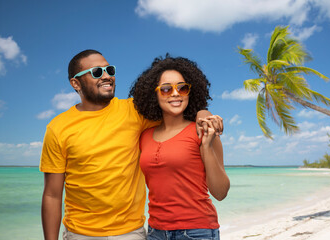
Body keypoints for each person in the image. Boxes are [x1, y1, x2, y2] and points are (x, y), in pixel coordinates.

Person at [40, 50, 223, 240]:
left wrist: (203, 113)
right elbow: (52, 195)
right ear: (75, 83)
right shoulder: (58, 128)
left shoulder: (134, 111)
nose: (106, 76)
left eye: (109, 70)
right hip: (79, 233)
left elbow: (174, 106)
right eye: (96, 72)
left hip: (131, 233)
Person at [130, 55, 230, 240]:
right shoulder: (144, 136)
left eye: (182, 88)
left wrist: (207, 146)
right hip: (155, 232)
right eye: (166, 89)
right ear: (155, 94)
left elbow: (220, 192)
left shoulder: (203, 130)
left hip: (197, 231)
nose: (175, 93)